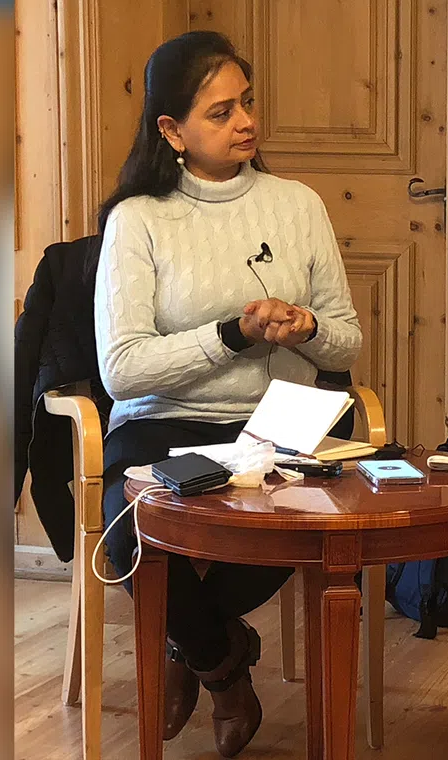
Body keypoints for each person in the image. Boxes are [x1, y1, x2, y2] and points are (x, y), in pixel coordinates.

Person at [94, 31, 362, 757]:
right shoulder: (138, 220)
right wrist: (232, 335)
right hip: (164, 424)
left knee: (300, 519)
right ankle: (222, 665)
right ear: (172, 130)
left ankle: (188, 647)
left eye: (247, 102)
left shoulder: (298, 204)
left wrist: (307, 327)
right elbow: (123, 370)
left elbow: (347, 344)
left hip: (280, 422)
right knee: (128, 528)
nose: (246, 121)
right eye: (221, 112)